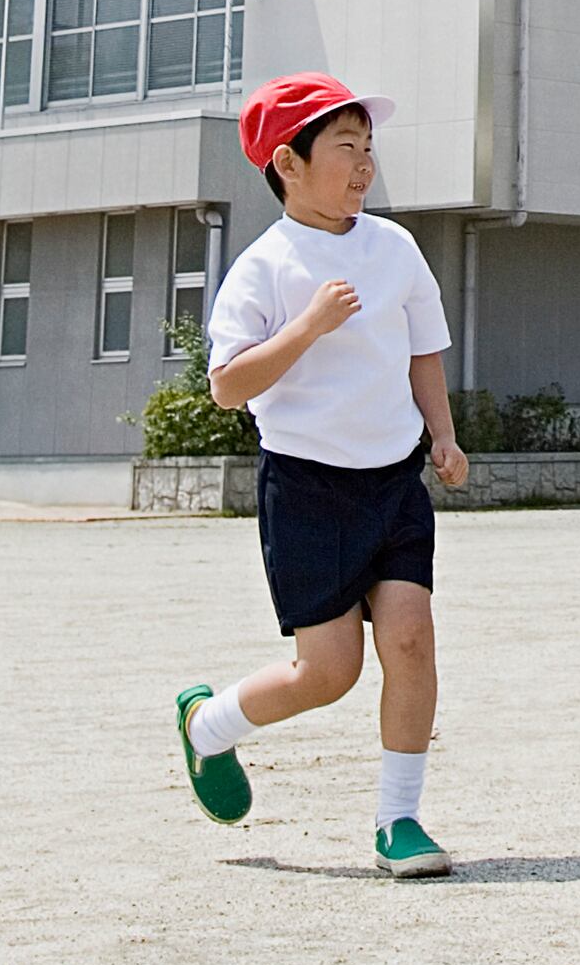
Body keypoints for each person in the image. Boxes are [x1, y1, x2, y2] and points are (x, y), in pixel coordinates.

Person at [169, 74, 471, 876]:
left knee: (411, 637)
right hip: (306, 488)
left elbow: (423, 348)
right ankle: (209, 726)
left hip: (393, 479)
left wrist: (442, 435)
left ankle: (399, 820)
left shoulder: (395, 247)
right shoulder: (264, 267)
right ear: (288, 162)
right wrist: (307, 325)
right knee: (328, 671)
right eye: (345, 147)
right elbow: (227, 384)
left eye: (368, 148)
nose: (364, 164)